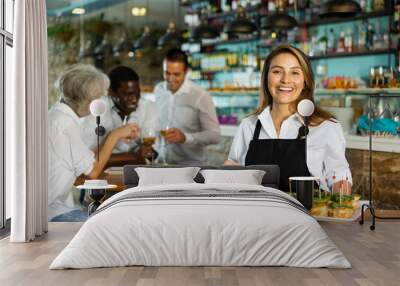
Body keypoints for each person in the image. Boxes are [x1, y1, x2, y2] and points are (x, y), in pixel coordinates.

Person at [225, 45, 352, 194]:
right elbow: (233, 170)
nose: (286, 80)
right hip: (256, 214)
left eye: (295, 73)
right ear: (266, 77)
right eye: (277, 71)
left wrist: (340, 204)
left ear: (305, 80)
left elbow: (339, 179)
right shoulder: (249, 126)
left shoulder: (326, 126)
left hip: (306, 215)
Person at [48, 64, 139, 221]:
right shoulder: (65, 124)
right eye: (97, 97)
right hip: (51, 210)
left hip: (57, 204)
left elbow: (87, 159)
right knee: (110, 223)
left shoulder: (58, 115)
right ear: (86, 100)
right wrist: (115, 135)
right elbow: (93, 171)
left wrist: (113, 136)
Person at [153, 48, 221, 165]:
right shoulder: (158, 90)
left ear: (186, 72)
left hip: (191, 167)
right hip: (162, 163)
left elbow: (215, 136)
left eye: (176, 74)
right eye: (167, 73)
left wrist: (185, 137)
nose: (171, 79)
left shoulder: (200, 96)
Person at [81, 66, 158, 166]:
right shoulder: (97, 109)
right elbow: (89, 159)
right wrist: (133, 156)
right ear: (111, 92)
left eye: (137, 93)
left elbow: (151, 152)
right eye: (128, 94)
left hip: (137, 171)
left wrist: (147, 152)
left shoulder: (149, 107)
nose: (135, 100)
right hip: (101, 173)